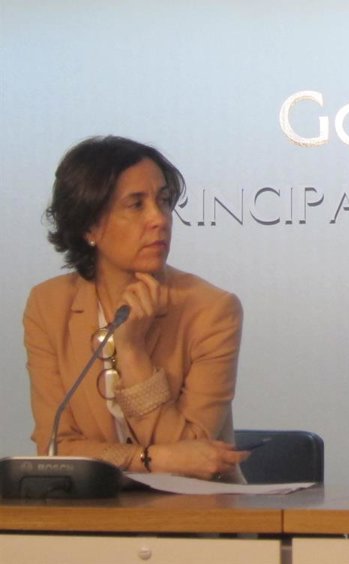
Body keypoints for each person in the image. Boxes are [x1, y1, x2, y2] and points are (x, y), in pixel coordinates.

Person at [23, 136, 248, 479]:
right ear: (89, 225)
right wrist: (150, 459)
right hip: (89, 509)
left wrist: (132, 352)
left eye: (164, 201)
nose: (159, 219)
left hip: (196, 509)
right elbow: (56, 448)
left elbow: (194, 458)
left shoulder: (212, 310)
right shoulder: (49, 306)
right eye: (136, 205)